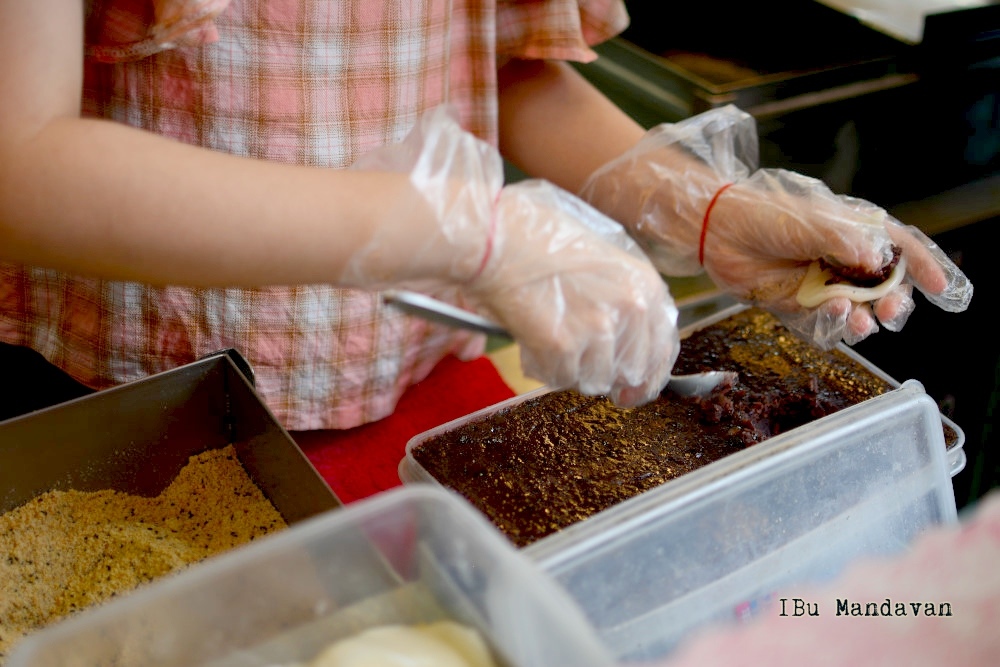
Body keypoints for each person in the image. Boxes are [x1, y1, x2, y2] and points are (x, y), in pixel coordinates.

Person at [0, 0, 972, 431]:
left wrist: (698, 205)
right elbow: (20, 160)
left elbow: (497, 61)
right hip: (117, 392)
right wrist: (475, 232)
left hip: (416, 375)